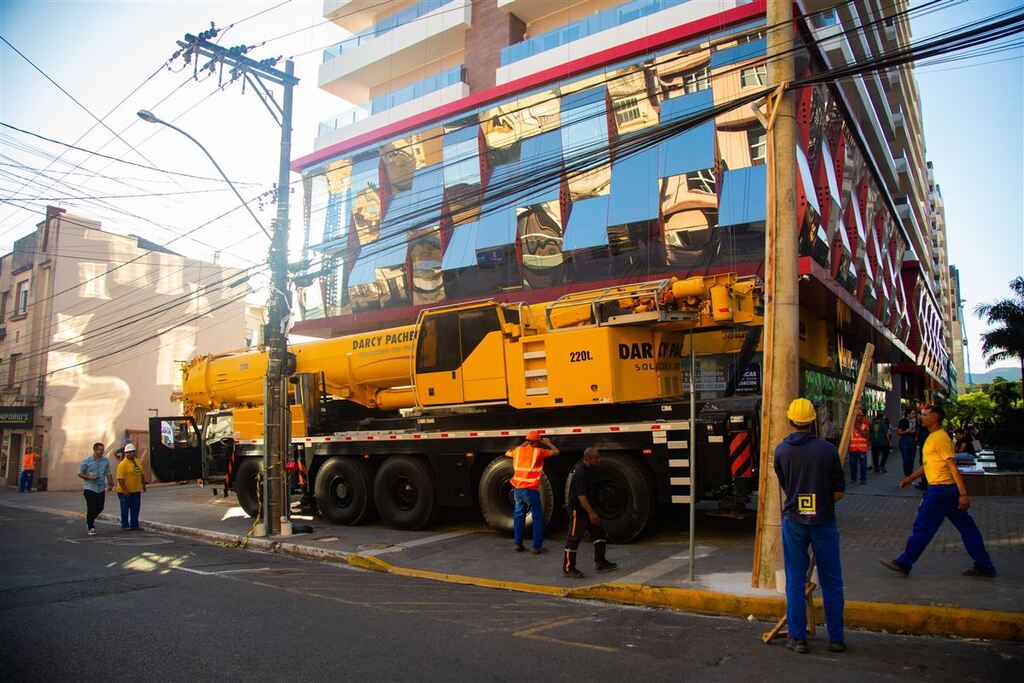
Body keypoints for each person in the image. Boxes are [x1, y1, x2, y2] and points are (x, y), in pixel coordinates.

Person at [880, 404, 996, 578]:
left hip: (940, 491)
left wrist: (964, 494)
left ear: (935, 418)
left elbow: (952, 467)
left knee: (923, 526)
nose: (922, 417)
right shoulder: (933, 437)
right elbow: (928, 466)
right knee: (967, 527)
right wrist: (910, 478)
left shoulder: (940, 439)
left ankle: (905, 562)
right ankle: (985, 565)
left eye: (925, 415)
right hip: (946, 491)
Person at [774, 398, 846, 654]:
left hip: (794, 521)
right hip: (824, 521)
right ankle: (837, 638)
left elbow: (785, 486)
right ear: (813, 420)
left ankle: (798, 638)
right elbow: (839, 492)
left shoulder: (781, 451)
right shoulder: (828, 451)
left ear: (790, 420)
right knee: (832, 581)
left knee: (794, 579)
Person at [563, 447, 617, 578]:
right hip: (579, 510)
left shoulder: (590, 470)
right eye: (596, 458)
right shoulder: (581, 473)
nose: (599, 460)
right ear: (588, 458)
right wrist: (591, 513)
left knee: (600, 533)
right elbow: (581, 496)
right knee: (574, 538)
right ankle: (569, 568)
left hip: (587, 509)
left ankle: (601, 562)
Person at [505, 431, 558, 553]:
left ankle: (518, 544)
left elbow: (507, 452)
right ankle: (536, 547)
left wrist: (522, 444)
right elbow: (556, 452)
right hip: (531, 491)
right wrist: (548, 443)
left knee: (518, 518)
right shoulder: (538, 452)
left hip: (518, 490)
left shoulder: (517, 451)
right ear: (537, 442)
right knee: (537, 518)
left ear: (527, 440)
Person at [78, 442, 114, 535]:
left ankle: (89, 519)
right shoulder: (86, 461)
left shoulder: (105, 460)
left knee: (100, 507)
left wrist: (111, 483)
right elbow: (80, 473)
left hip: (101, 487)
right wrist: (89, 477)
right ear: (94, 450)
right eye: (100, 450)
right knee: (91, 506)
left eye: (103, 450)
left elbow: (108, 472)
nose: (102, 451)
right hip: (89, 487)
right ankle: (91, 526)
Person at [116, 443, 147, 530]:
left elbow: (141, 473)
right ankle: (125, 525)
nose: (130, 454)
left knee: (135, 508)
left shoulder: (138, 461)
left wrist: (143, 484)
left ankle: (134, 524)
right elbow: (120, 479)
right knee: (125, 508)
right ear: (125, 453)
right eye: (128, 452)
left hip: (136, 489)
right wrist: (125, 490)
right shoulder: (123, 464)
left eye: (132, 452)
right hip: (125, 491)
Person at [848, 409, 870, 485]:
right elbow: (848, 438)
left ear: (862, 417)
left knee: (863, 465)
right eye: (857, 416)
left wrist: (858, 427)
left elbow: (865, 435)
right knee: (852, 465)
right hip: (853, 449)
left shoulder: (865, 426)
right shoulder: (850, 427)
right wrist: (848, 448)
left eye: (860, 416)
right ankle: (853, 478)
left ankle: (863, 479)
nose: (858, 418)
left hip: (862, 449)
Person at [896, 408, 918, 478]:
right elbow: (898, 432)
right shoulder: (902, 421)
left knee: (911, 459)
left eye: (914, 413)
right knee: (906, 459)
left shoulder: (915, 421)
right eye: (912, 413)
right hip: (904, 440)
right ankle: (906, 476)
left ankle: (910, 475)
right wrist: (906, 431)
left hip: (912, 440)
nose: (914, 415)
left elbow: (917, 430)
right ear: (908, 414)